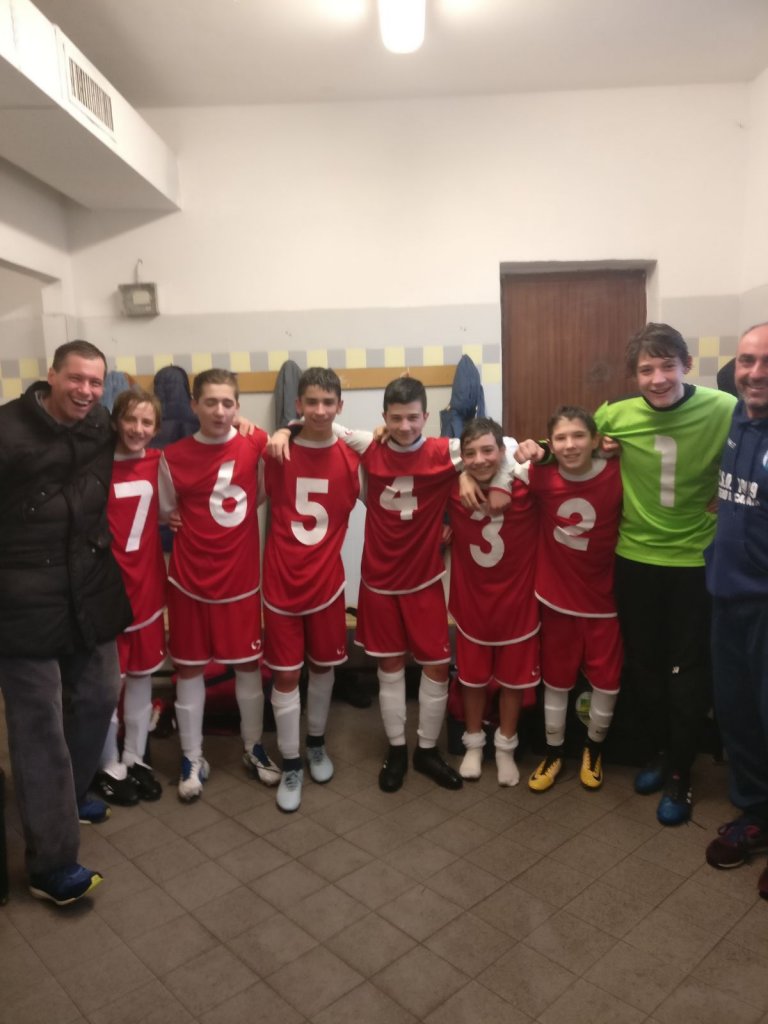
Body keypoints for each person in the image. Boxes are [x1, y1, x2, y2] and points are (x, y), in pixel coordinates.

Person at [0, 340, 132, 905]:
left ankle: (67, 796)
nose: (85, 390)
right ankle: (51, 865)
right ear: (51, 375)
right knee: (40, 727)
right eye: (76, 378)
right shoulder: (7, 430)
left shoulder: (99, 424)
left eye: (95, 382)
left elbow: (146, 430)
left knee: (100, 694)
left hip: (88, 588)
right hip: (20, 600)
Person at [593, 323, 736, 824]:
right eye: (646, 369)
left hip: (694, 562)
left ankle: (680, 772)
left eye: (667, 366)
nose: (657, 379)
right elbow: (569, 447)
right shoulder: (614, 414)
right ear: (634, 375)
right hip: (634, 559)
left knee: (687, 673)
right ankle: (659, 751)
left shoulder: (723, 408)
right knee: (645, 667)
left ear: (686, 365)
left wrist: (731, 494)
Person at [158, 368, 279, 802]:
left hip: (240, 580)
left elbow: (261, 493)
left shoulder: (255, 444)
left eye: (228, 403)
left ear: (238, 406)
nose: (220, 411)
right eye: (210, 402)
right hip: (189, 581)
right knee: (189, 668)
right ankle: (192, 757)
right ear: (194, 405)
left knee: (248, 666)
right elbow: (167, 512)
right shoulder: (171, 456)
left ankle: (253, 746)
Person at [262, 368, 361, 812]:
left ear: (340, 406)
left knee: (323, 668)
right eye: (312, 402)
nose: (320, 410)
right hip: (281, 584)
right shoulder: (275, 450)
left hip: (327, 586)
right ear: (298, 405)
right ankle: (290, 762)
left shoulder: (353, 456)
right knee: (286, 675)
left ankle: (316, 744)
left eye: (328, 402)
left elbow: (403, 469)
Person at [518, 406, 623, 793]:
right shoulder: (540, 474)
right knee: (556, 679)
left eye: (579, 435)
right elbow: (496, 463)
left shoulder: (617, 470)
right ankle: (554, 751)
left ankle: (594, 749)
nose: (570, 445)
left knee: (607, 681)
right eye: (560, 438)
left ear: (595, 440)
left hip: (604, 600)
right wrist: (534, 448)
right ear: (551, 442)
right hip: (557, 597)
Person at [704, 322, 768, 898]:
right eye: (747, 361)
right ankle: (754, 813)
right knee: (739, 715)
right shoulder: (733, 420)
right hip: (727, 597)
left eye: (767, 362)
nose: (756, 373)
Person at [447, 417, 539, 786]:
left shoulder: (526, 483)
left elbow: (537, 455)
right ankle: (473, 743)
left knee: (514, 682)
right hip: (472, 603)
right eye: (470, 454)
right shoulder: (453, 487)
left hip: (518, 602)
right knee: (472, 680)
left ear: (502, 451)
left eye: (488, 450)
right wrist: (461, 475)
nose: (480, 459)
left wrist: (510, 471)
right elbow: (427, 456)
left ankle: (505, 748)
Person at [93, 388, 167, 806]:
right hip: (107, 593)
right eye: (130, 419)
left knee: (141, 676)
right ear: (116, 420)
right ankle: (107, 764)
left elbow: (177, 508)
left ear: (156, 428)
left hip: (148, 588)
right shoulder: (95, 465)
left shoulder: (160, 462)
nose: (138, 429)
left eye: (147, 422)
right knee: (109, 685)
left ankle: (135, 756)